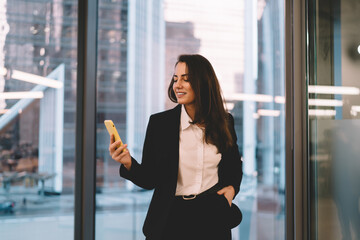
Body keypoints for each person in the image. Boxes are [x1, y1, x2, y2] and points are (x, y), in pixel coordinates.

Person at [109, 54, 243, 240]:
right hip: (170, 220)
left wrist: (232, 190)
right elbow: (150, 179)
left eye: (185, 79)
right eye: (175, 79)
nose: (177, 85)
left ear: (203, 83)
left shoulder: (224, 122)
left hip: (212, 217)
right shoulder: (160, 124)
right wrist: (128, 163)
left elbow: (234, 166)